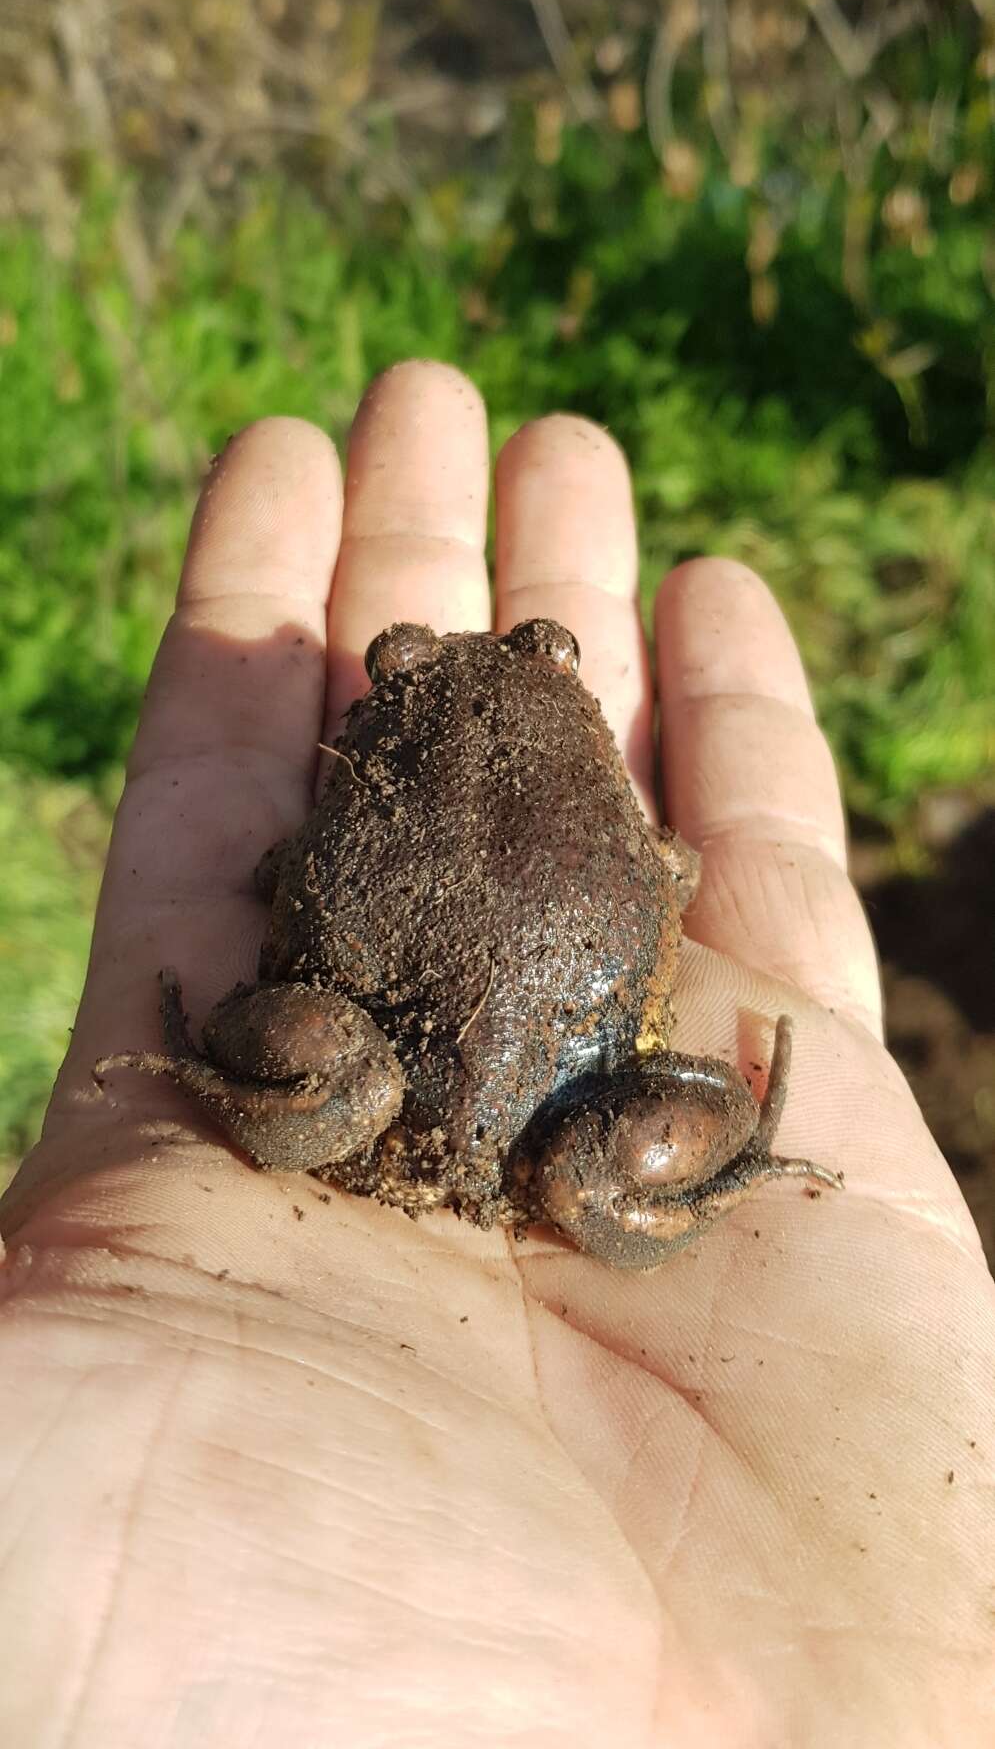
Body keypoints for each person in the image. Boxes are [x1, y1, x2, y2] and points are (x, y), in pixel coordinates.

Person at [1, 363, 992, 1747]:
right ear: (569, 687)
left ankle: (225, 1070)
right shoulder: (591, 763)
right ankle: (718, 1155)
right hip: (575, 1129)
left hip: (370, 1100)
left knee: (325, 1053)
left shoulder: (379, 736)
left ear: (379, 698)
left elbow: (292, 874)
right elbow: (673, 862)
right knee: (643, 1114)